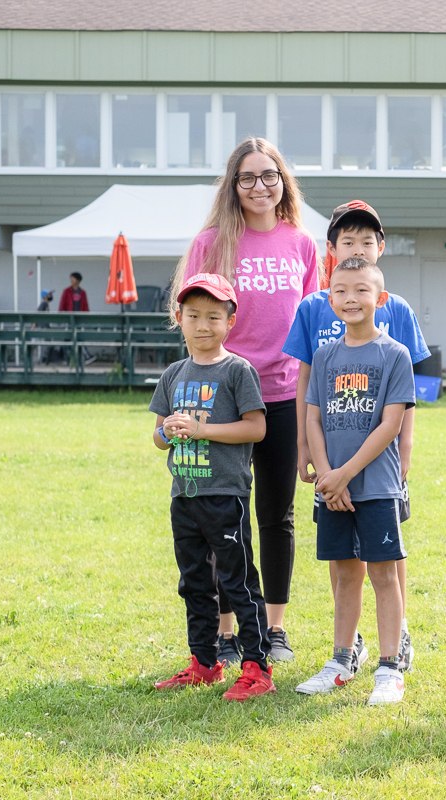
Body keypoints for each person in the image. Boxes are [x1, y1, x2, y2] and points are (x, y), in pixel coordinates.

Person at [169, 137, 318, 666]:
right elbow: (193, 316)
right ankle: (228, 630)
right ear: (233, 185)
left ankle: (274, 628)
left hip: (280, 395)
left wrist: (308, 407)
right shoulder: (212, 242)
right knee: (219, 516)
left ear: (283, 182)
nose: (260, 186)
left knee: (276, 516)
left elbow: (310, 326)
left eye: (270, 175)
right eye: (249, 177)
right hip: (224, 395)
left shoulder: (301, 244)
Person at [282, 200, 430, 675]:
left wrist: (405, 450)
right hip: (330, 450)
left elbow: (404, 399)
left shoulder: (395, 307)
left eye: (367, 241)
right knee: (342, 552)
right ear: (331, 249)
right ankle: (351, 642)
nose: (358, 247)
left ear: (381, 248)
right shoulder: (314, 307)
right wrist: (309, 452)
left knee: (387, 547)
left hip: (379, 459)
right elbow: (306, 385)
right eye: (348, 240)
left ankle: (397, 636)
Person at [149, 272, 274, 701]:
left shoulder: (238, 371)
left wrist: (202, 429)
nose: (204, 325)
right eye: (194, 316)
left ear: (230, 320)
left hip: (225, 496)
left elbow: (255, 429)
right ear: (178, 318)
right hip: (184, 495)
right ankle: (204, 663)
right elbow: (157, 436)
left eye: (214, 317)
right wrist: (168, 431)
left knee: (237, 582)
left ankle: (257, 667)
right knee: (193, 581)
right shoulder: (173, 374)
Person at [301, 257, 416, 705]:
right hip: (333, 488)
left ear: (379, 299)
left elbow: (390, 424)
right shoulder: (324, 356)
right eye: (341, 291)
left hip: (377, 487)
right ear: (330, 300)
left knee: (383, 576)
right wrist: (328, 475)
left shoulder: (394, 355)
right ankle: (341, 659)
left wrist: (344, 474)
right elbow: (313, 418)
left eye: (361, 290)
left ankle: (389, 668)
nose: (351, 298)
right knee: (345, 575)